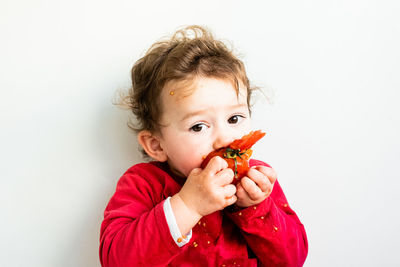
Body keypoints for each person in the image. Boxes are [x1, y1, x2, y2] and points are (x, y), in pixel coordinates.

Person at [99, 25, 308, 267]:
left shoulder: (256, 180)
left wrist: (255, 207)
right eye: (198, 126)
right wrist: (188, 205)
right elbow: (116, 261)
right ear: (156, 145)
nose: (224, 140)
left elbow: (293, 259)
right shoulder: (144, 184)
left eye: (234, 119)